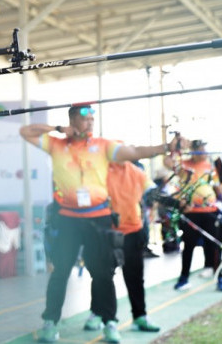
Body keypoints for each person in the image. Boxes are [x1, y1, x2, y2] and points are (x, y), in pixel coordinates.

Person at [19, 104, 181, 343]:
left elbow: (135, 152)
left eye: (93, 119)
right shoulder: (57, 145)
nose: (90, 123)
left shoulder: (103, 146)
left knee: (103, 274)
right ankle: (50, 323)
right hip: (67, 219)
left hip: (98, 219)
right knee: (60, 272)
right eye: (85, 120)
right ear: (72, 121)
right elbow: (26, 132)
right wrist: (56, 129)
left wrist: (166, 147)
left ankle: (110, 323)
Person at [83, 160, 160, 333]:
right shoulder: (98, 169)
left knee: (135, 277)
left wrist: (167, 199)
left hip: (133, 230)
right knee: (102, 276)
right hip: (106, 232)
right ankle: (97, 313)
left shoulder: (136, 170)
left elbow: (151, 189)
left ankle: (140, 316)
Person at [170, 139, 222, 292]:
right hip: (191, 213)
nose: (204, 152)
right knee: (188, 246)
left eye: (204, 149)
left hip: (210, 212)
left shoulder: (209, 166)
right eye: (201, 149)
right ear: (194, 150)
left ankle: (219, 277)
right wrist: (176, 148)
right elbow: (169, 164)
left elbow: (216, 188)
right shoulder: (184, 165)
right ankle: (183, 278)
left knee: (214, 245)